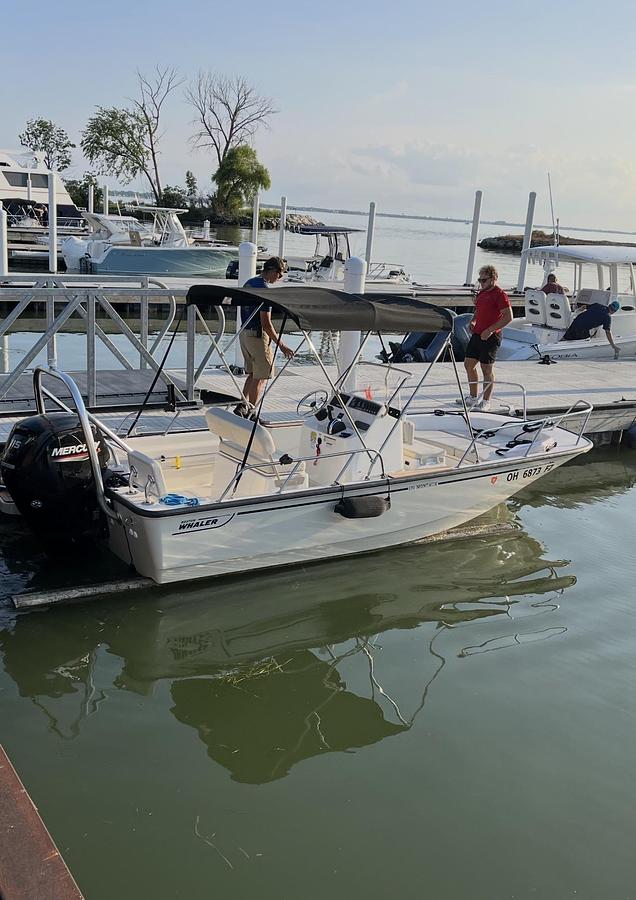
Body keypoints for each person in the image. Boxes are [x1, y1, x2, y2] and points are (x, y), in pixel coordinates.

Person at [236, 256, 294, 416]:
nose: (280, 278)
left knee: (253, 373)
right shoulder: (265, 291)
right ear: (273, 270)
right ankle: (252, 412)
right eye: (280, 274)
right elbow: (266, 323)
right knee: (261, 376)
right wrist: (281, 345)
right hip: (256, 336)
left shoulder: (249, 283)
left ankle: (242, 405)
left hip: (244, 334)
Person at [459, 265, 513, 411]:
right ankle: (473, 397)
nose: (481, 283)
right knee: (468, 364)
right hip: (477, 334)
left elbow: (509, 317)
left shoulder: (500, 295)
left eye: (484, 280)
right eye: (480, 280)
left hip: (491, 336)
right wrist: (474, 321)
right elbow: (479, 310)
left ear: (493, 278)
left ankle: (486, 401)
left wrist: (490, 330)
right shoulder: (482, 293)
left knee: (486, 368)